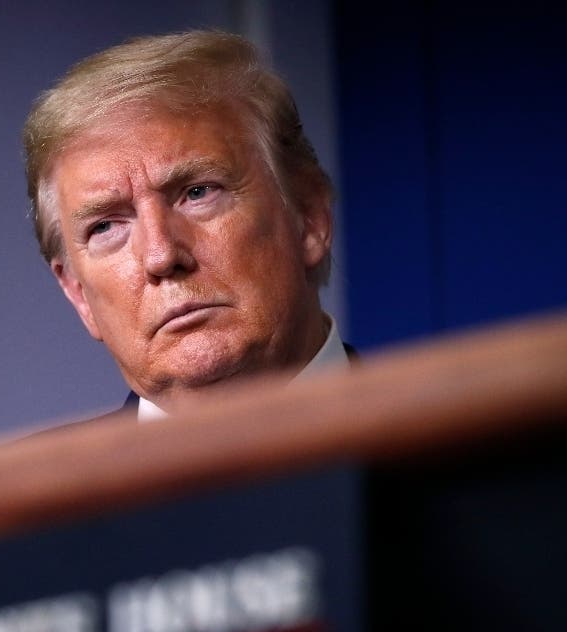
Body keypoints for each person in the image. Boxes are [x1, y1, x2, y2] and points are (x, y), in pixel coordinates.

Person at [22, 30, 350, 421]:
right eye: (106, 227)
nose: (161, 256)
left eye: (197, 193)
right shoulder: (24, 484)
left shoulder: (440, 456)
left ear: (309, 217)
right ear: (77, 293)